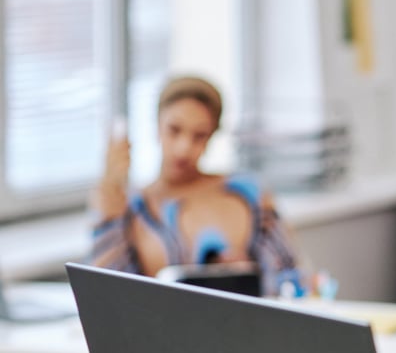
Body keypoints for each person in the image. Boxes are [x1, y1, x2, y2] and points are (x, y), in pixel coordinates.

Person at [89, 75, 302, 297]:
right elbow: (107, 296)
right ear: (157, 125)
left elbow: (289, 280)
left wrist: (246, 274)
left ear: (211, 138)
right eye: (174, 130)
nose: (184, 149)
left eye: (199, 136)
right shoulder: (132, 206)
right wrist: (109, 190)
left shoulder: (246, 193)